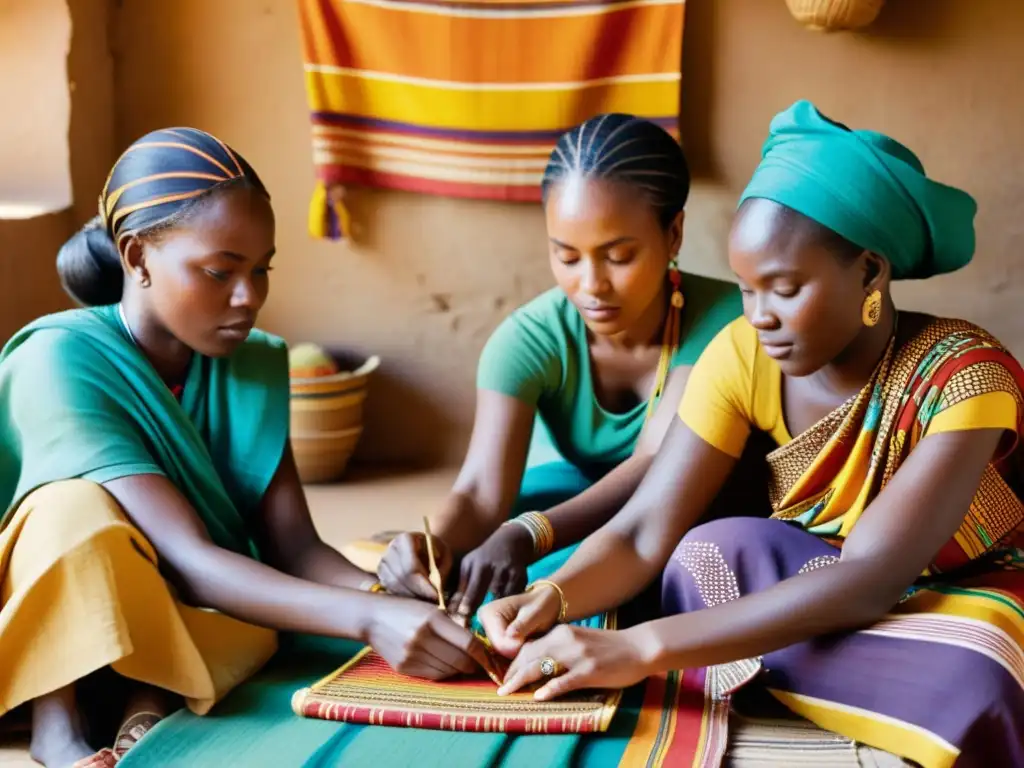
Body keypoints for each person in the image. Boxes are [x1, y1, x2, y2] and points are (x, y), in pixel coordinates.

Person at [479, 101, 1024, 768]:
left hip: (959, 592)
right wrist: (551, 596)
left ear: (871, 273)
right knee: (705, 554)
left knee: (984, 672)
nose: (761, 316)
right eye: (745, 290)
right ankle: (823, 666)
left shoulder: (965, 376)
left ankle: (770, 662)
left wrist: (641, 648)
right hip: (817, 584)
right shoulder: (743, 356)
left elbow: (874, 575)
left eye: (785, 289)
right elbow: (644, 531)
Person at [0, 128, 487, 768]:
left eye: (261, 270)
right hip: (65, 620)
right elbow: (190, 557)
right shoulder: (59, 358)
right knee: (75, 512)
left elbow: (295, 547)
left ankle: (146, 695)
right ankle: (56, 725)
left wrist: (386, 594)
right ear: (136, 256)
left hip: (188, 607)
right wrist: (367, 623)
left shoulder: (253, 363)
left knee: (262, 597)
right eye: (219, 271)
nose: (249, 297)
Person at [376, 114, 743, 622]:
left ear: (674, 232)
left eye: (618, 256)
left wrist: (528, 533)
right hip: (565, 494)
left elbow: (657, 464)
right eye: (567, 256)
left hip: (679, 501)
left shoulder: (729, 326)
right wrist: (431, 548)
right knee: (477, 570)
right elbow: (482, 494)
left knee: (645, 568)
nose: (591, 284)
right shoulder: (527, 341)